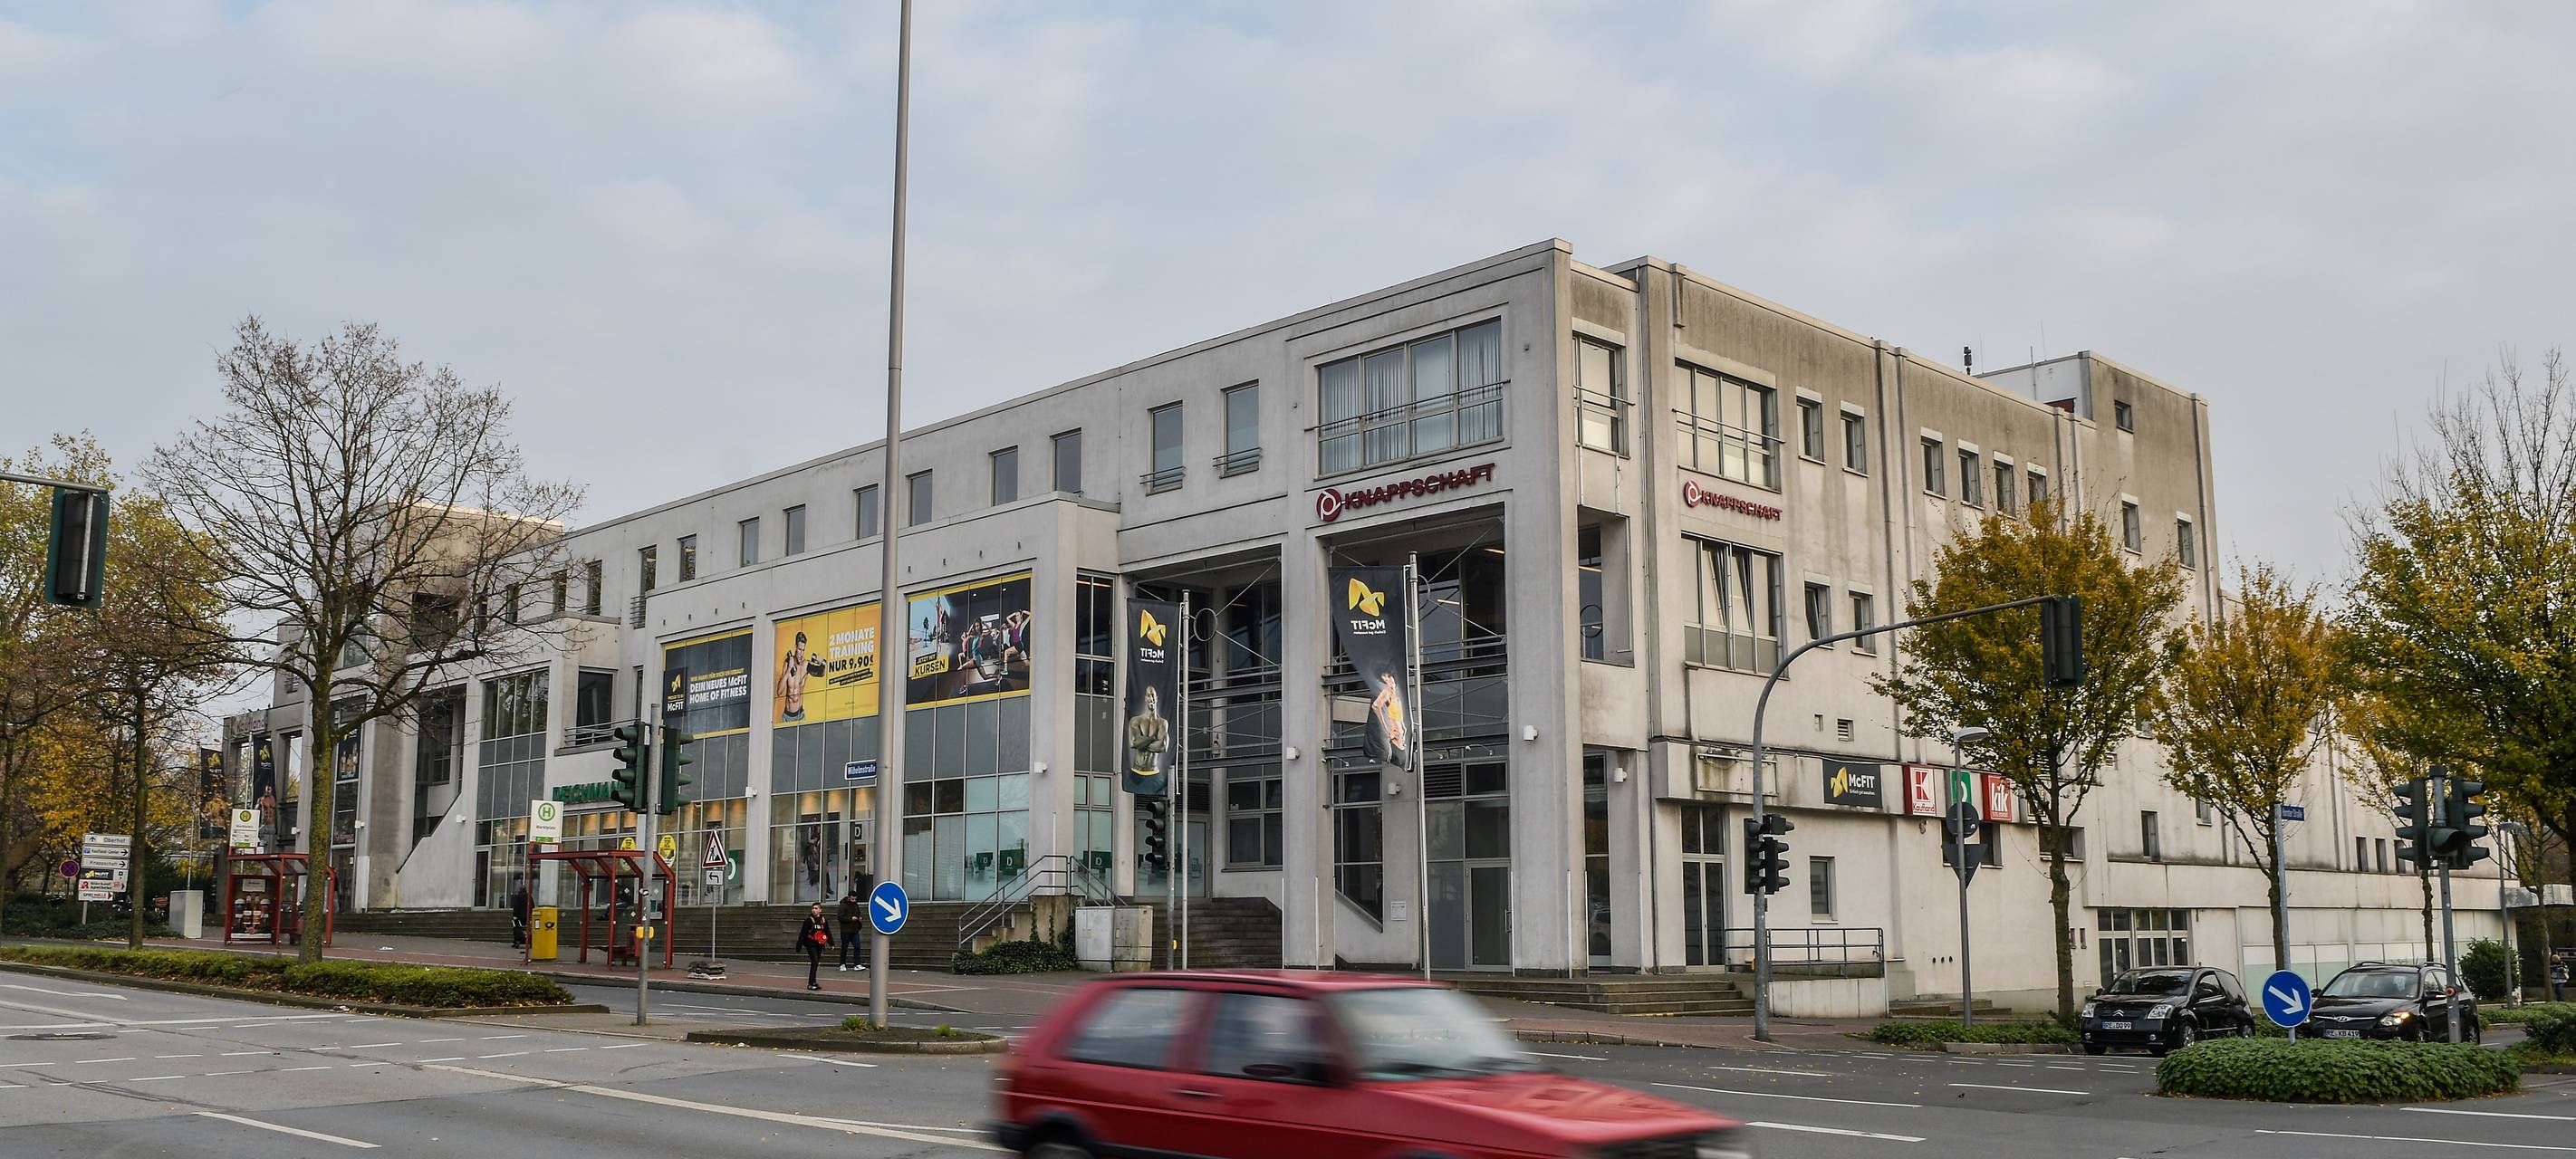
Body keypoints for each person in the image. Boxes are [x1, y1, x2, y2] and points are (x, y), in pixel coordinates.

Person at [796, 902, 831, 991]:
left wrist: (831, 943)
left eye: (816, 908)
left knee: (816, 963)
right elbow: (803, 934)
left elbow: (827, 932)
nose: (814, 910)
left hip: (819, 945)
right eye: (813, 908)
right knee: (814, 961)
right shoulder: (809, 921)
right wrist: (798, 946)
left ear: (820, 910)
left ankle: (814, 981)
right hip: (810, 944)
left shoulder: (823, 920)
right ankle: (810, 983)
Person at [837, 888, 868, 972]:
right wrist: (851, 918)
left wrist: (859, 917)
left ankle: (857, 964)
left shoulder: (855, 905)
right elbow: (840, 917)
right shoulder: (843, 905)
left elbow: (858, 913)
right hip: (846, 930)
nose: (853, 901)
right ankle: (842, 964)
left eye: (855, 899)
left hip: (855, 930)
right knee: (844, 947)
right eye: (852, 899)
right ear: (848, 897)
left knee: (857, 946)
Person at [509, 881, 530, 948]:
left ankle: (517, 940)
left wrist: (515, 915)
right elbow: (532, 906)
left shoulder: (518, 897)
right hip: (528, 916)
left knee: (517, 928)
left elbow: (516, 907)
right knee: (528, 928)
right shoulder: (529, 897)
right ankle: (529, 940)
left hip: (519, 917)